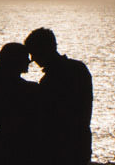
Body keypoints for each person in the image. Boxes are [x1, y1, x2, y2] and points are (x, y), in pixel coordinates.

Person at [24, 27, 92, 165]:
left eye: (34, 53)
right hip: (80, 144)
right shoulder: (79, 69)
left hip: (59, 148)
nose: (32, 59)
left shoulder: (50, 80)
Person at [0, 41, 44, 165]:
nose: (29, 61)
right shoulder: (31, 89)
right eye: (25, 58)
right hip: (25, 151)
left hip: (1, 151)